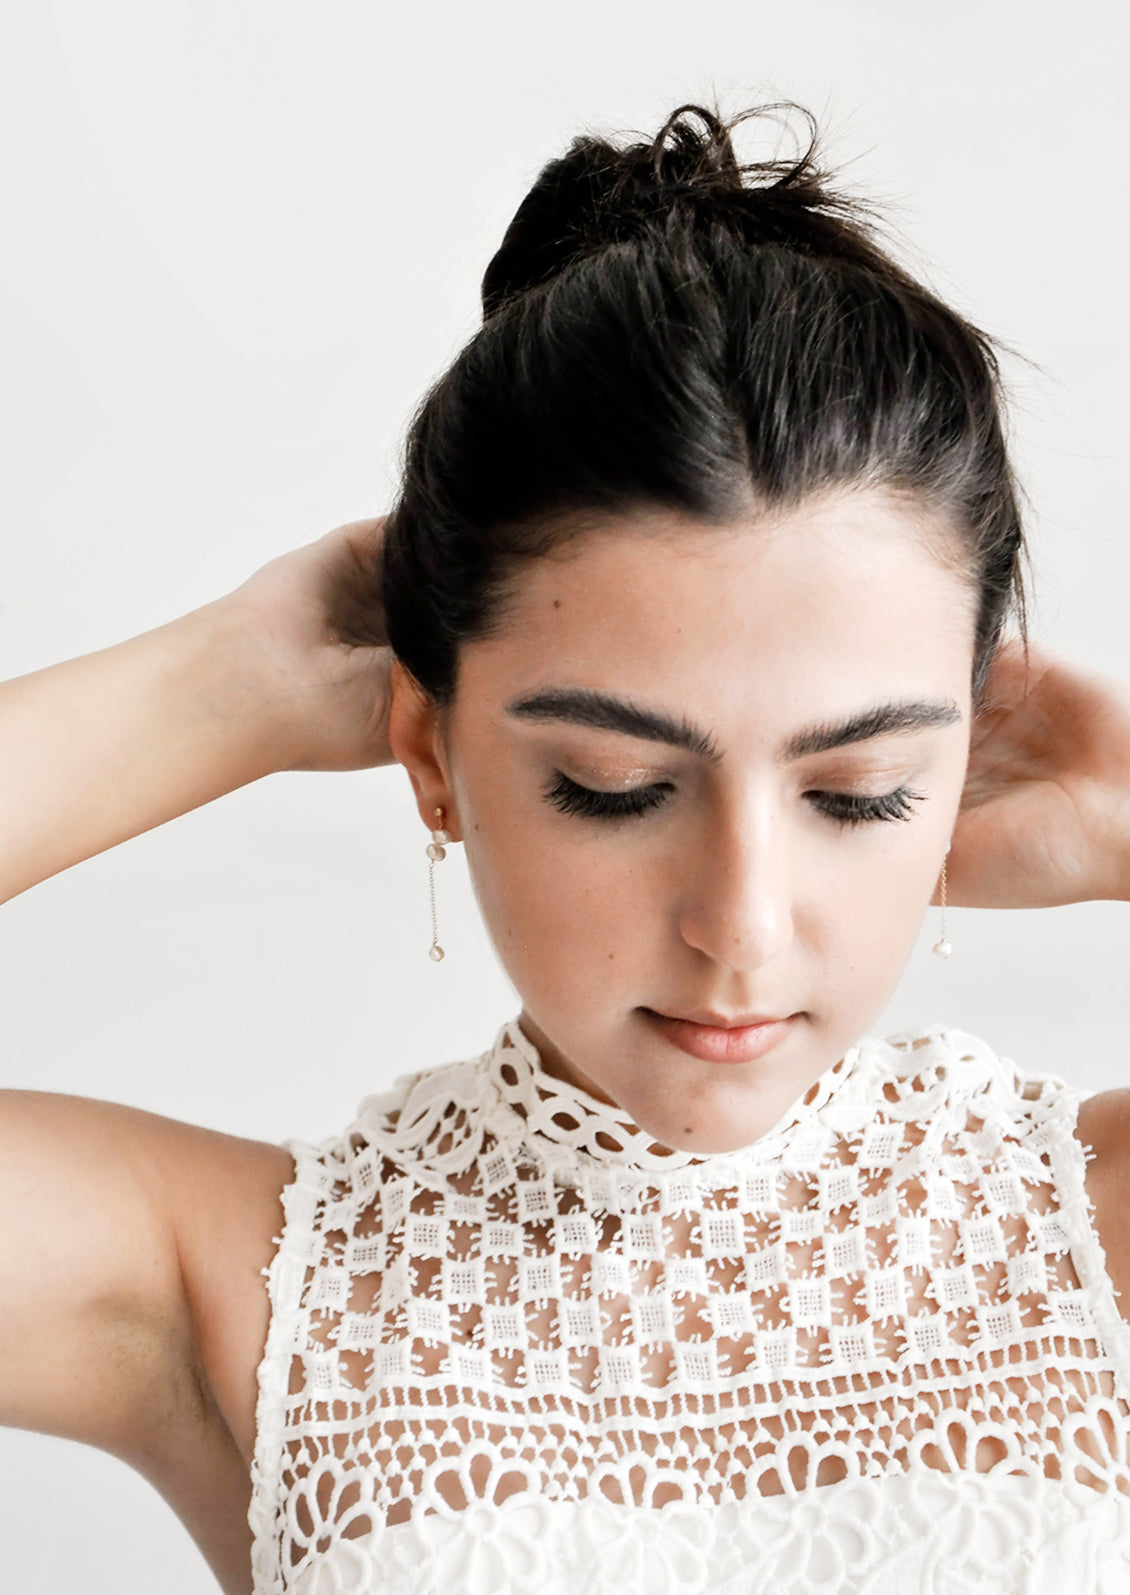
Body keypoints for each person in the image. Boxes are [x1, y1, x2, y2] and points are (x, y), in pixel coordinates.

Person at [2, 100, 1129, 1595]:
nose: (739, 925)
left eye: (856, 791)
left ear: (961, 761)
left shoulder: (1085, 1237)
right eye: (610, 785)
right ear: (433, 756)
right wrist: (230, 684)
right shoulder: (240, 1292)